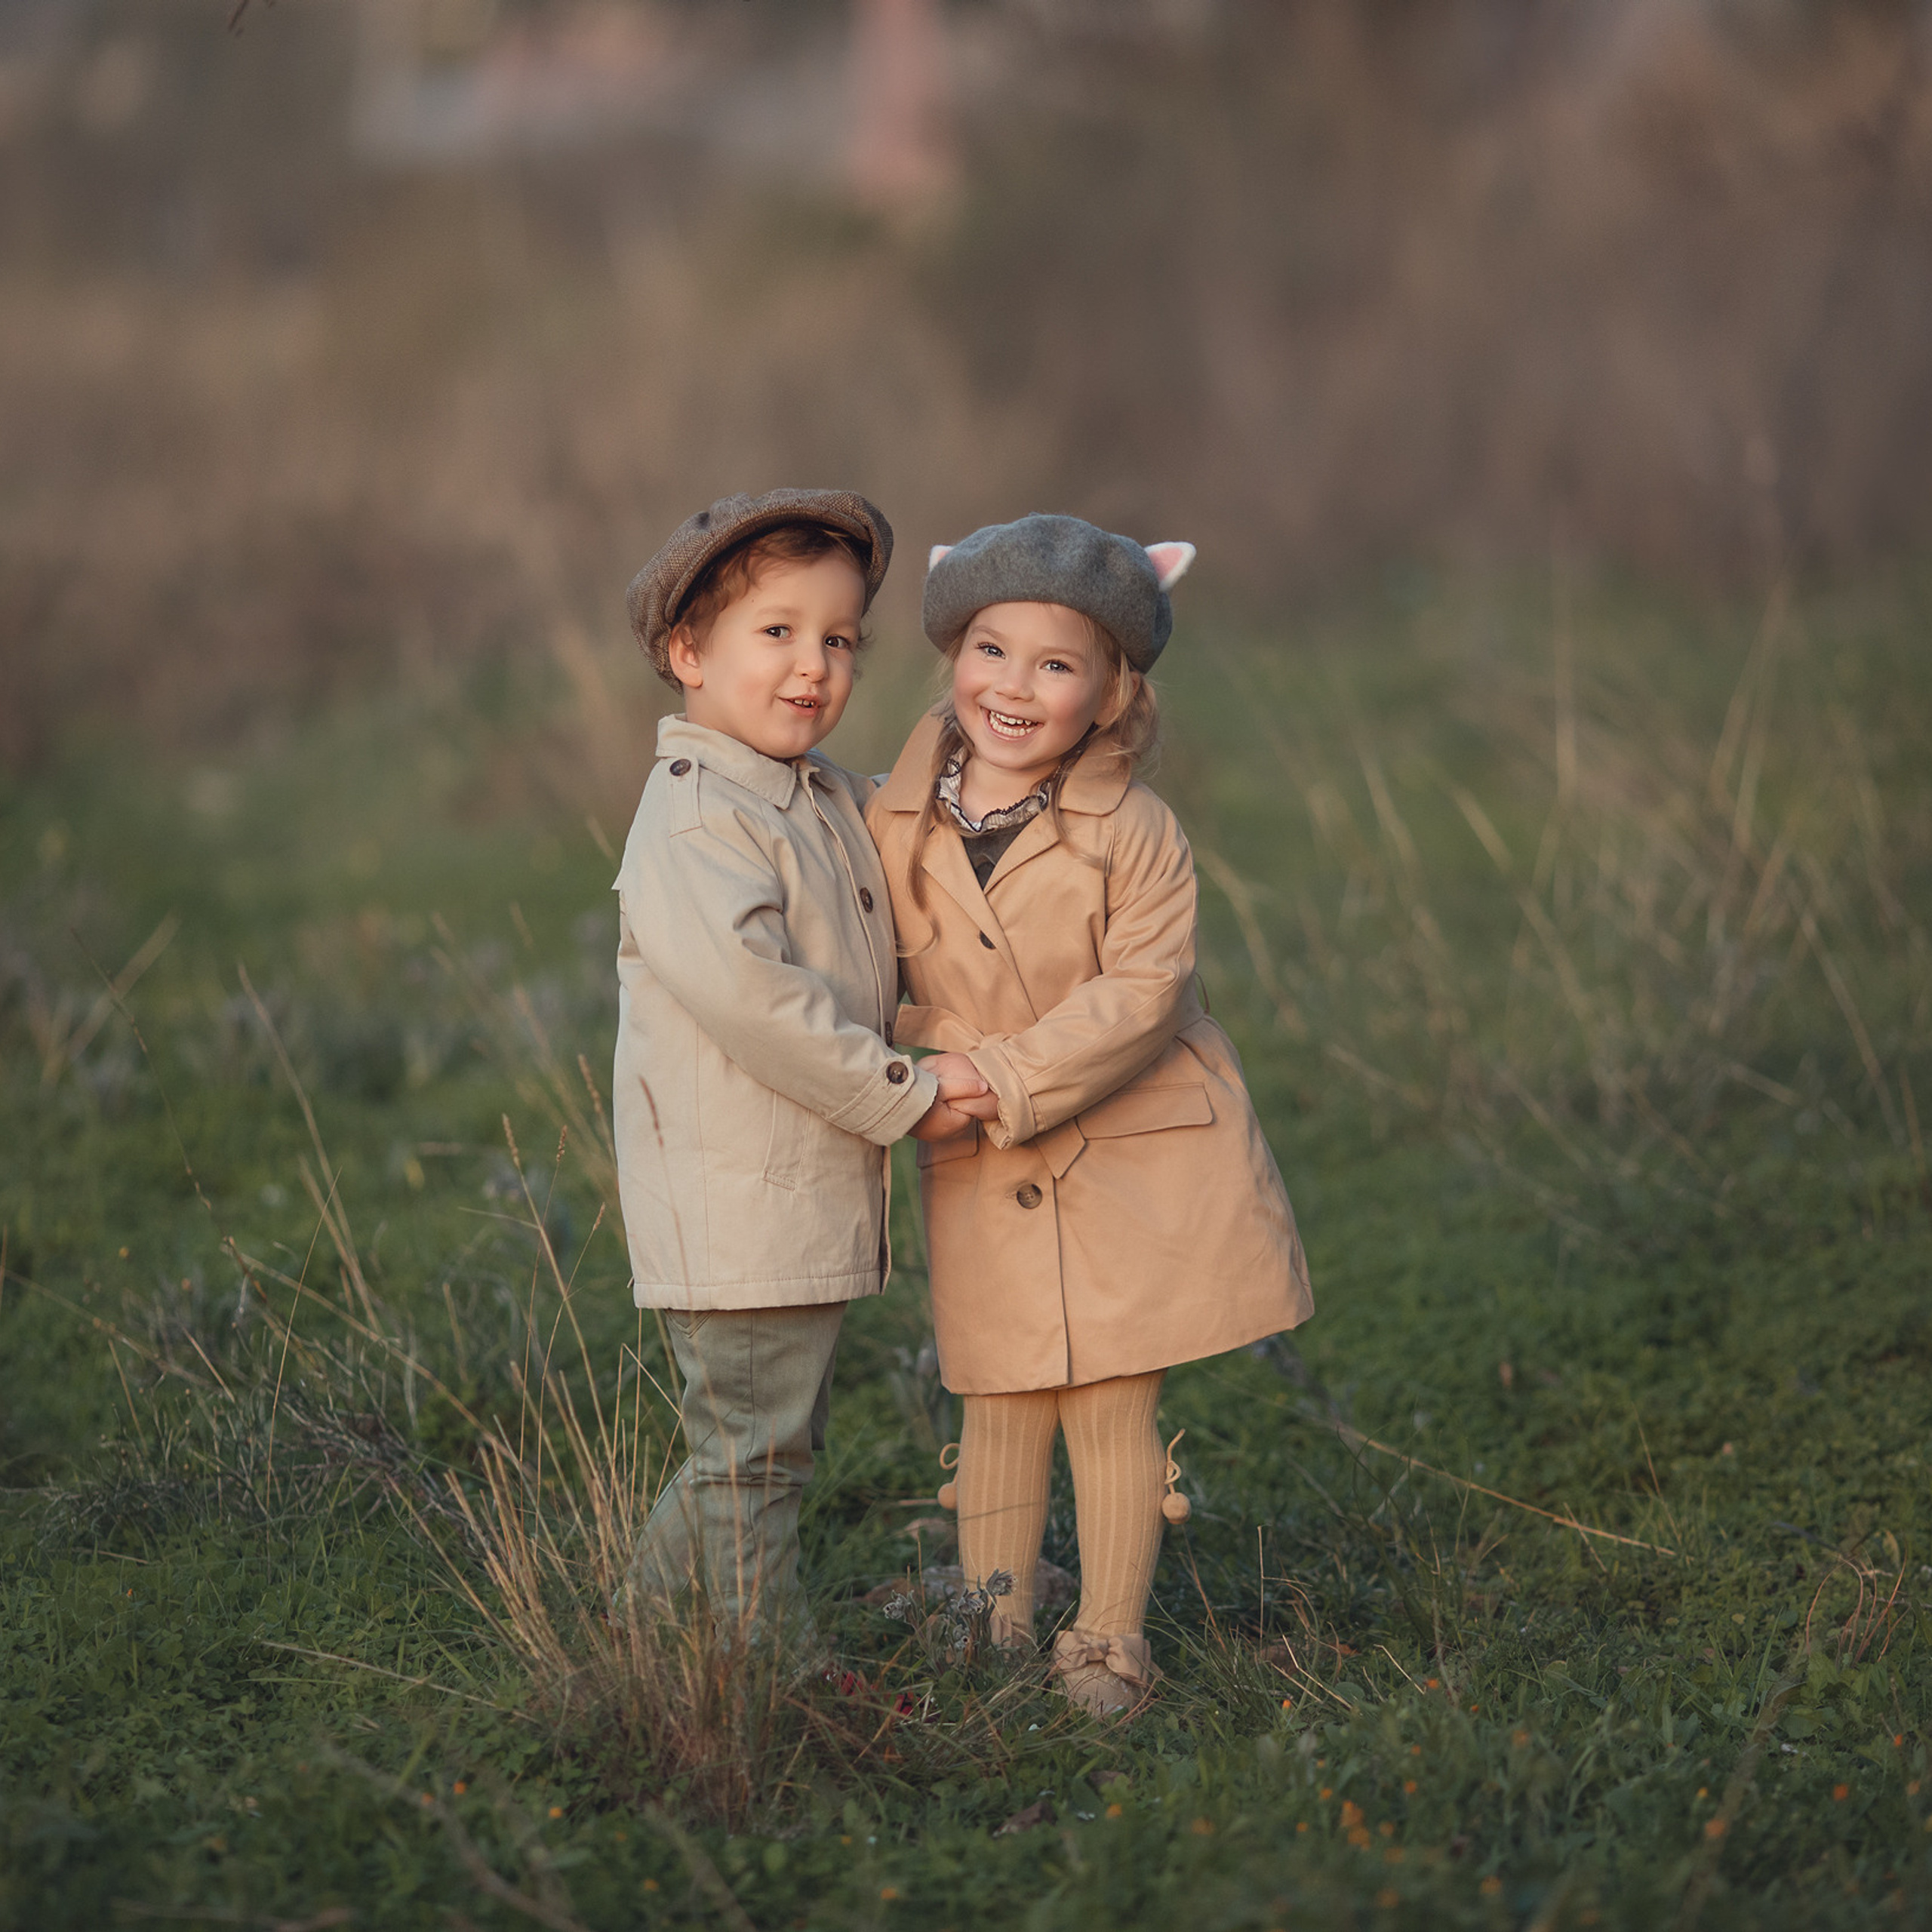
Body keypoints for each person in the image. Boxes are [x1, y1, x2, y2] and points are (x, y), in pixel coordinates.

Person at [866, 514, 1312, 1715]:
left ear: (1110, 694)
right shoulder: (888, 820)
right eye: (990, 651)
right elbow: (866, 973)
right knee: (1001, 1390)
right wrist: (920, 1062)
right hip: (974, 1150)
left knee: (1113, 1395)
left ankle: (1109, 1640)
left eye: (1055, 665)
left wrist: (1000, 1076)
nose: (1013, 687)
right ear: (953, 653)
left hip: (1124, 1150)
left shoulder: (1138, 834)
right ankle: (993, 1621)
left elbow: (1145, 994)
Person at [612, 488, 989, 1639]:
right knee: (752, 1461)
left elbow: (911, 851)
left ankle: (644, 1629)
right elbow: (760, 1002)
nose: (812, 667)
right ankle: (762, 1672)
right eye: (776, 632)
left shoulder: (817, 792)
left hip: (787, 1207)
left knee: (759, 1448)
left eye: (837, 640)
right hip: (737, 1212)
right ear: (688, 651)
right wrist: (907, 1094)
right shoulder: (695, 819)